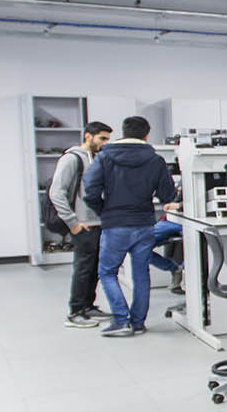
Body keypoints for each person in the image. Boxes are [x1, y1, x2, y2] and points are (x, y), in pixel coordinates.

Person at [82, 116, 179, 337]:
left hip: (114, 224)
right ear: (146, 134)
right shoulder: (155, 160)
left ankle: (120, 320)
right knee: (141, 274)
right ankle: (137, 322)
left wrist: (104, 211)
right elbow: (168, 195)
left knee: (107, 272)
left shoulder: (105, 157)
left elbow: (90, 191)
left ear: (123, 132)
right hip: (144, 223)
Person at [50, 121, 114, 328]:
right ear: (88, 136)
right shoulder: (71, 159)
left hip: (97, 222)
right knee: (83, 268)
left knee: (94, 267)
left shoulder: (96, 159)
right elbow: (56, 192)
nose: (104, 143)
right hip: (83, 224)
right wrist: (73, 222)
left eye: (107, 139)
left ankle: (88, 306)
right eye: (102, 138)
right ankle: (75, 311)